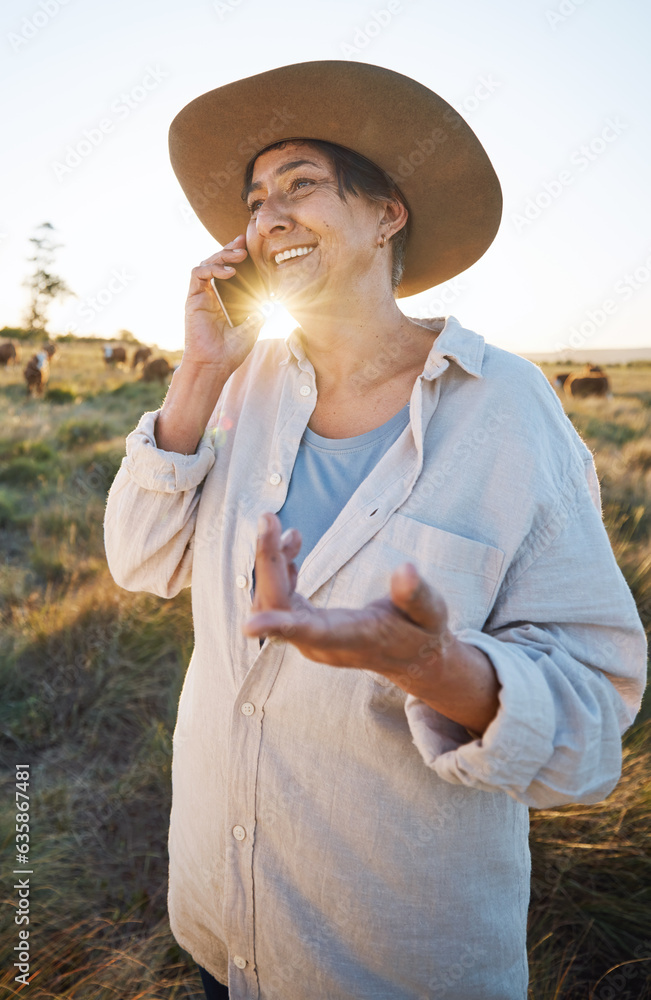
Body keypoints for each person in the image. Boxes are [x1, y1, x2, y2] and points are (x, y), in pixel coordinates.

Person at [104, 61, 646, 1000]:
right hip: (218, 930)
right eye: (255, 199)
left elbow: (591, 723)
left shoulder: (506, 409)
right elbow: (140, 561)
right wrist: (197, 373)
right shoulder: (242, 387)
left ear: (386, 212)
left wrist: (431, 666)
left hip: (394, 963)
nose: (268, 215)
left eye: (300, 184)